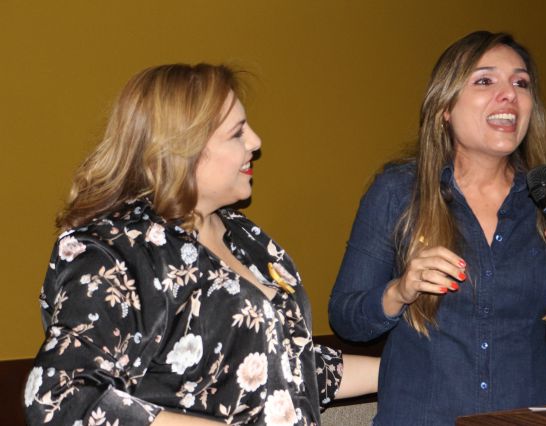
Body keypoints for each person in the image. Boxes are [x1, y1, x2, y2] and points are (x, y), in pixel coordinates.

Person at [24, 63, 379, 425]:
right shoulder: (116, 250)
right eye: (237, 133)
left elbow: (283, 367)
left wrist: (400, 366)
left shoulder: (245, 238)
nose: (256, 142)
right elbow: (59, 397)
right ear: (183, 149)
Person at [329, 31, 546, 425]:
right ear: (445, 106)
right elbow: (346, 317)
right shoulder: (398, 191)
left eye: (521, 83)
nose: (509, 94)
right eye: (485, 80)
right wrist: (399, 291)